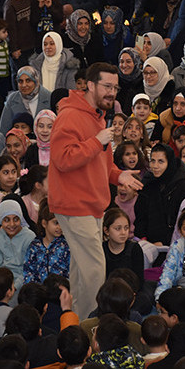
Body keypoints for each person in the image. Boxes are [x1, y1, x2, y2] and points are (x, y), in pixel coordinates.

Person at [47, 62, 143, 318]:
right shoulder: (70, 115)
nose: (112, 92)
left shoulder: (97, 117)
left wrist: (119, 175)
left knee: (82, 272)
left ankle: (77, 325)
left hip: (91, 204)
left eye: (115, 87)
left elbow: (103, 163)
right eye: (107, 86)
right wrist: (95, 142)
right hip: (75, 204)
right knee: (94, 272)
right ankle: (92, 328)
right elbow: (62, 159)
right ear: (90, 85)